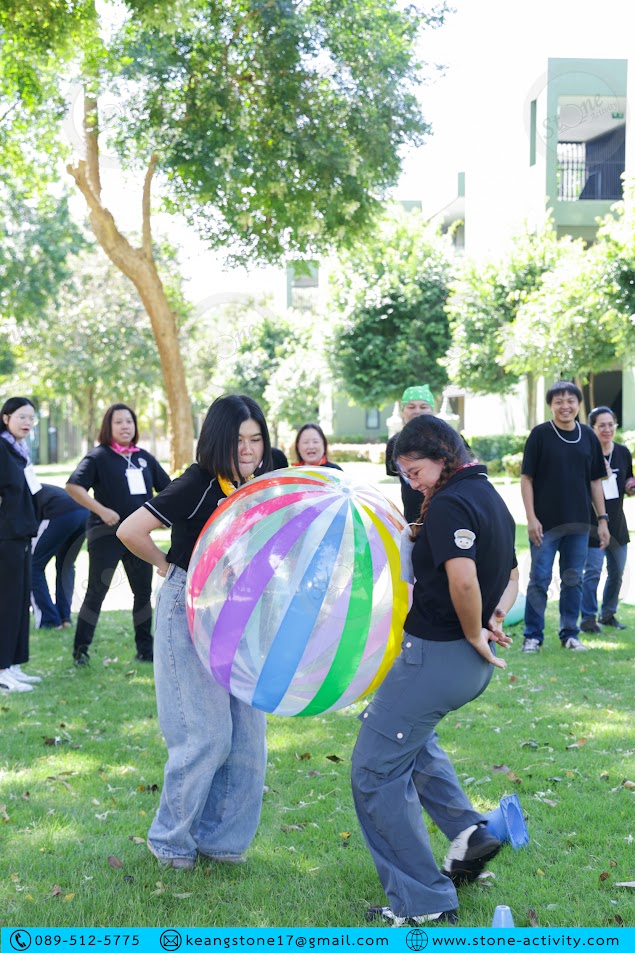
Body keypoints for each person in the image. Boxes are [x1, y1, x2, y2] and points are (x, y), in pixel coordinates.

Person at [351, 414, 518, 926]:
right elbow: (511, 572)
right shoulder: (486, 495)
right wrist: (494, 616)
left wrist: (476, 629)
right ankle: (469, 833)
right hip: (460, 662)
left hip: (439, 657)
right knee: (412, 744)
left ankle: (423, 902)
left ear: (443, 458)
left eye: (415, 470)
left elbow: (464, 580)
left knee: (373, 772)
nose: (412, 481)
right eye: (404, 473)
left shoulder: (449, 504)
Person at [117, 394, 272, 869]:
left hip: (240, 612)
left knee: (248, 739)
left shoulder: (263, 480)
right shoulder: (197, 482)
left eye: (256, 439)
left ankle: (221, 843)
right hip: (190, 607)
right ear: (218, 440)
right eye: (238, 440)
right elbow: (130, 530)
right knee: (205, 734)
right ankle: (170, 841)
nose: (248, 449)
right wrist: (169, 568)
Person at [65, 403, 170, 665]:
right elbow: (73, 486)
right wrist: (101, 510)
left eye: (129, 421)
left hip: (138, 537)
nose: (125, 426)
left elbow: (168, 490)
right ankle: (80, 652)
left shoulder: (144, 458)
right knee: (96, 592)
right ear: (108, 427)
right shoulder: (98, 457)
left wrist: (162, 517)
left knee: (142, 593)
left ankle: (145, 651)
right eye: (119, 422)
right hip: (106, 536)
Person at [520, 381, 609, 653]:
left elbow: (596, 482)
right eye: (559, 401)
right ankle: (532, 636)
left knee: (573, 580)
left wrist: (603, 520)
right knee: (540, 580)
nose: (565, 406)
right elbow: (526, 479)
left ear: (578, 404)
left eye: (571, 401)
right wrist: (531, 518)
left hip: (579, 525)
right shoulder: (540, 435)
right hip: (544, 525)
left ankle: (570, 634)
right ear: (551, 405)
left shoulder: (588, 436)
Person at [580, 406, 634, 634]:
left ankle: (608, 613)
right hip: (592, 524)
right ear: (592, 428)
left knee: (617, 573)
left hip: (618, 523)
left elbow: (628, 480)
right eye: (601, 425)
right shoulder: (586, 453)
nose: (607, 429)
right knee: (592, 573)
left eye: (611, 424)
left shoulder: (623, 452)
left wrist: (630, 486)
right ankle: (588, 619)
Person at [0, 397, 42, 692]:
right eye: (21, 417)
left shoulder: (19, 450)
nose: (27, 423)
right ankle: (2, 669)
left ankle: (13, 664)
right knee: (6, 602)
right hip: (5, 536)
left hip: (21, 534)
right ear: (6, 418)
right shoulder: (2, 449)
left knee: (19, 601)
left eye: (31, 418)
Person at [31, 484, 88, 630]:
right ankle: (64, 618)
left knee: (32, 566)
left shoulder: (14, 491)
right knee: (66, 565)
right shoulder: (31, 486)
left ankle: (49, 620)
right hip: (84, 513)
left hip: (61, 512)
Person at [385, 385, 436, 523]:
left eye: (423, 406)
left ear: (432, 410)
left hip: (448, 510)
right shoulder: (394, 443)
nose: (417, 411)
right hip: (412, 519)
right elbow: (396, 475)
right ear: (403, 411)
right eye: (411, 407)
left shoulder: (451, 438)